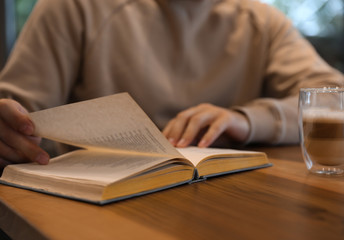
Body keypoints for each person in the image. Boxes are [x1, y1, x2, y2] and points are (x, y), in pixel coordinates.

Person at [0, 0, 343, 169]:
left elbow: (333, 94)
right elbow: (17, 114)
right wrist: (10, 128)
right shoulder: (74, 7)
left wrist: (246, 119)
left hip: (224, 199)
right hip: (93, 206)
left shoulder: (261, 19)